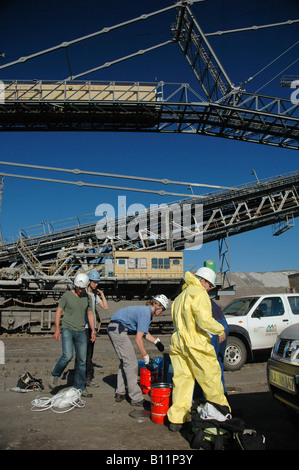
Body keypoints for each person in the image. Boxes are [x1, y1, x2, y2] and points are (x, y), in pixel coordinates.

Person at [167, 267, 231, 432]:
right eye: (210, 285)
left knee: (182, 381)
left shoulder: (180, 297)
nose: (209, 288)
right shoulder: (199, 293)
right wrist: (220, 330)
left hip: (178, 343)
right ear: (203, 281)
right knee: (211, 380)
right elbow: (204, 320)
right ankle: (221, 417)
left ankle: (176, 419)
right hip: (195, 343)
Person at [108, 294, 168, 407]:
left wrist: (156, 342)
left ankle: (120, 392)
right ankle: (136, 398)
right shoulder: (146, 313)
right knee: (131, 363)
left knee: (125, 361)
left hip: (114, 327)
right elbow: (138, 339)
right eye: (163, 310)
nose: (162, 312)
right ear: (158, 306)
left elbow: (144, 332)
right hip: (118, 329)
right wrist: (146, 357)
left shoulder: (145, 311)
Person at [49, 272, 96, 398]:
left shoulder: (88, 298)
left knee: (82, 361)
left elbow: (90, 314)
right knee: (67, 355)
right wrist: (57, 329)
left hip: (81, 331)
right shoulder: (67, 296)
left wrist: (93, 330)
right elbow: (59, 311)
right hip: (67, 329)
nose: (80, 290)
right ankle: (55, 374)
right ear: (75, 285)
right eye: (78, 288)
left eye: (82, 288)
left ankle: (80, 387)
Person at [85, 270, 108, 387]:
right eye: (95, 282)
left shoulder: (93, 295)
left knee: (89, 354)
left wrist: (102, 294)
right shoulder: (83, 293)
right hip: (84, 327)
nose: (97, 284)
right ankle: (85, 378)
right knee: (85, 354)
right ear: (89, 282)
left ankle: (86, 378)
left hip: (91, 328)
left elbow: (105, 306)